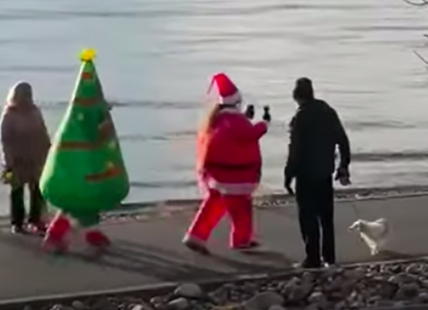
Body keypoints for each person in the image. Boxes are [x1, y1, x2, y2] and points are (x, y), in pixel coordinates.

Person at [182, 73, 271, 255]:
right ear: (236, 102)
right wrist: (264, 123)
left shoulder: (216, 120)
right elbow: (249, 135)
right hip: (235, 176)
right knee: (242, 210)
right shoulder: (236, 121)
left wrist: (246, 118)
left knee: (213, 205)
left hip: (216, 174)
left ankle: (196, 235)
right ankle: (241, 240)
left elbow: (233, 134)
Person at [284, 77, 351, 268]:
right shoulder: (328, 112)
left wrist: (288, 175)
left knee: (308, 217)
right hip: (324, 173)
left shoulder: (301, 117)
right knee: (326, 218)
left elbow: (294, 150)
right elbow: (343, 140)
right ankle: (329, 257)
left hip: (306, 175)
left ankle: (312, 258)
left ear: (297, 96)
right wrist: (343, 166)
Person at [0, 81, 51, 234]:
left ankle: (36, 220)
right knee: (17, 191)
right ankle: (17, 223)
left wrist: (49, 151)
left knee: (37, 190)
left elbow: (43, 132)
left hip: (36, 157)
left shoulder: (35, 111)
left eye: (29, 94)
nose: (27, 98)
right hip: (17, 159)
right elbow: (5, 140)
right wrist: (9, 162)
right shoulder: (9, 114)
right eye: (24, 95)